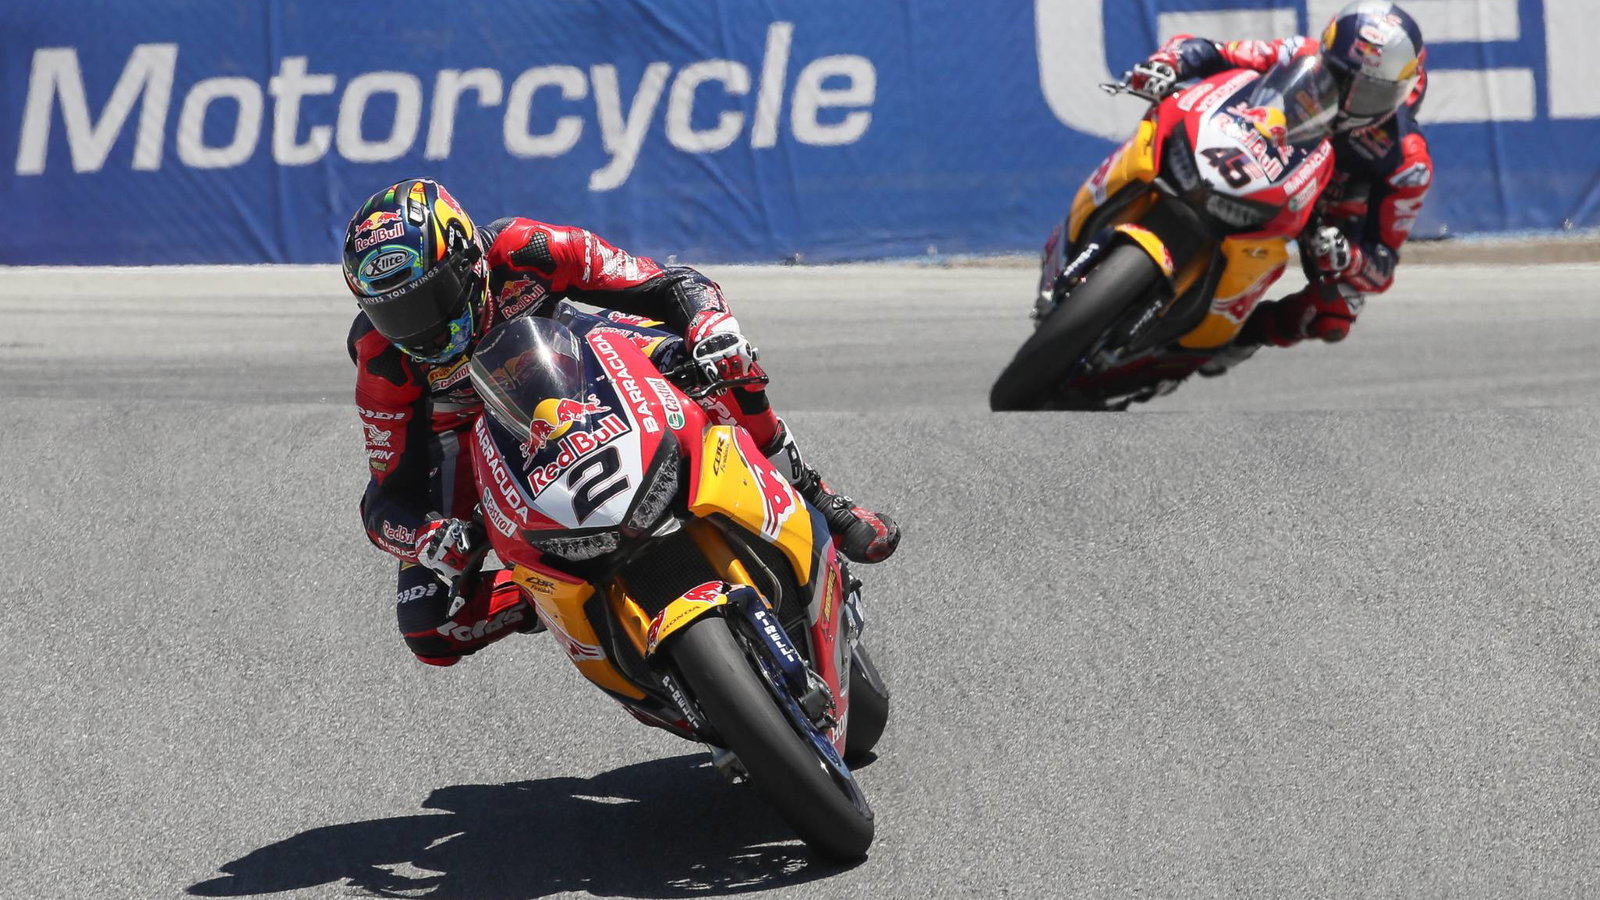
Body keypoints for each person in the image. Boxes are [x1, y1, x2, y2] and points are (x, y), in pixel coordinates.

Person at [343, 178, 899, 667]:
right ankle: (554, 592)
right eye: (393, 313)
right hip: (467, 434)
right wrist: (426, 537)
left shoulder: (529, 248)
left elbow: (671, 283)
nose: (420, 330)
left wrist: (708, 325)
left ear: (468, 262)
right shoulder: (382, 359)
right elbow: (385, 497)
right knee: (430, 628)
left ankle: (815, 495)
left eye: (430, 298)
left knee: (721, 362)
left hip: (575, 360)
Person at [1125, 0, 1432, 369]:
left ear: (1399, 97)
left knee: (1338, 310)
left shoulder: (1407, 161)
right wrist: (1168, 63)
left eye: (1369, 94)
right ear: (1324, 56)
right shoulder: (1296, 53)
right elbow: (1214, 51)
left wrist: (1347, 256)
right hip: (1254, 152)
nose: (1348, 102)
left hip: (1320, 219)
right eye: (1337, 78)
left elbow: (1381, 265)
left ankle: (1241, 338)